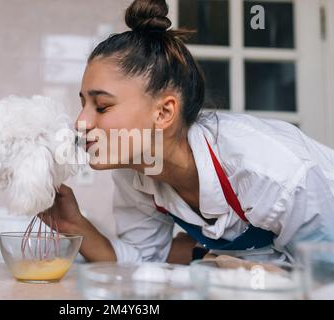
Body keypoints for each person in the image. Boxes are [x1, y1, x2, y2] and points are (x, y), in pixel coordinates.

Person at [42, 0, 334, 264]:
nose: (80, 122)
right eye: (83, 104)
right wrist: (74, 225)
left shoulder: (270, 173)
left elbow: (324, 276)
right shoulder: (136, 172)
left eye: (102, 106)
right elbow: (144, 263)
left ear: (164, 112)